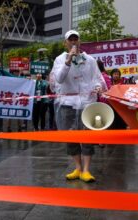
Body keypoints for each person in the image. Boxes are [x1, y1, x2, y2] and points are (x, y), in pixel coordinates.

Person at [52, 30, 107, 182]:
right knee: (71, 137)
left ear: (80, 41)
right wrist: (68, 61)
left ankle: (87, 170)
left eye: (76, 39)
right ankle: (77, 167)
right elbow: (59, 79)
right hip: (67, 104)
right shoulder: (60, 59)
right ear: (66, 43)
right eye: (71, 40)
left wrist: (98, 87)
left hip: (87, 103)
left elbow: (97, 78)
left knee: (87, 136)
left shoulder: (89, 60)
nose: (74, 42)